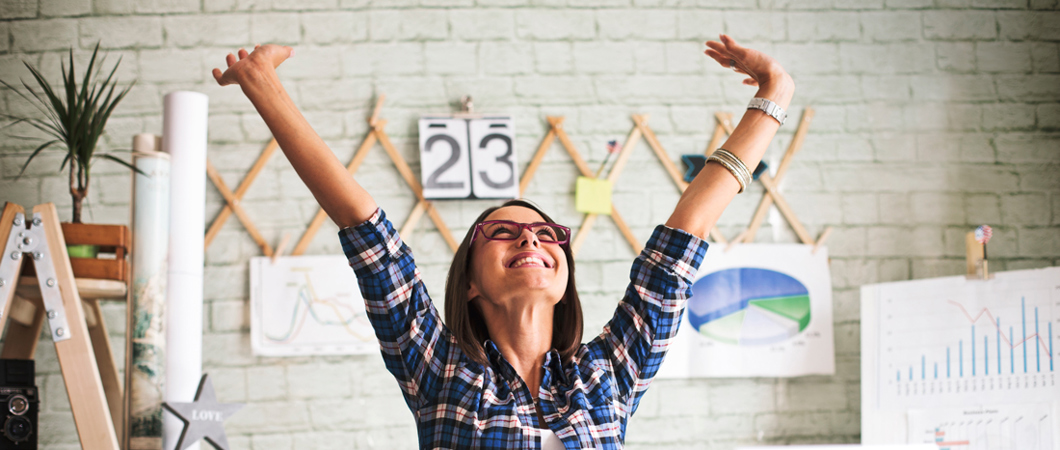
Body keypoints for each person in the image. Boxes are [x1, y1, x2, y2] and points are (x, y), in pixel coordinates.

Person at [213, 34, 794, 449]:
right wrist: (264, 87)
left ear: (564, 274)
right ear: (469, 281)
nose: (532, 239)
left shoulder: (608, 375)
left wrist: (774, 92)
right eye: (503, 231)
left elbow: (682, 241)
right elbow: (368, 233)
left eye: (547, 234)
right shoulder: (439, 371)